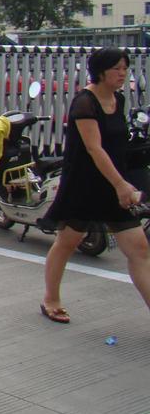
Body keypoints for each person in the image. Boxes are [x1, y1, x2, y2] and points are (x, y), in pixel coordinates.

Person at [41, 47, 150, 323]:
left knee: (139, 249)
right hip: (85, 184)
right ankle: (51, 299)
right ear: (100, 72)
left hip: (114, 184)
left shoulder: (118, 99)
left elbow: (117, 145)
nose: (122, 74)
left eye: (125, 68)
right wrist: (121, 185)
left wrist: (125, 182)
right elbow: (94, 148)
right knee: (68, 241)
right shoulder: (84, 103)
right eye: (116, 69)